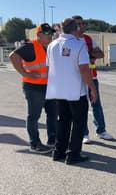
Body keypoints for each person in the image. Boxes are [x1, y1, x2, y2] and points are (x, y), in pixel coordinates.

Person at [46, 18, 97, 164]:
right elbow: (84, 69)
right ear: (76, 29)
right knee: (79, 122)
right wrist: (92, 88)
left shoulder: (52, 45)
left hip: (59, 91)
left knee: (62, 121)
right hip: (76, 92)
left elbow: (50, 67)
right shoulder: (79, 45)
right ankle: (73, 154)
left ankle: (58, 151)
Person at [9, 23, 57, 153]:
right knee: (34, 116)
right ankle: (35, 144)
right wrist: (25, 73)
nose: (50, 36)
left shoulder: (51, 47)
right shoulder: (30, 46)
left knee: (53, 114)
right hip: (33, 87)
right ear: (39, 35)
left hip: (49, 87)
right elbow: (13, 56)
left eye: (51, 33)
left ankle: (53, 140)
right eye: (47, 33)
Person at [72, 15, 113, 144]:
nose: (81, 25)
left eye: (83, 23)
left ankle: (101, 130)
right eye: (78, 23)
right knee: (80, 107)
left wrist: (90, 54)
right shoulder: (70, 40)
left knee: (96, 105)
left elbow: (101, 54)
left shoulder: (88, 39)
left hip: (92, 77)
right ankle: (84, 134)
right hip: (76, 79)